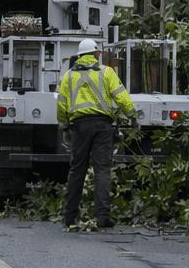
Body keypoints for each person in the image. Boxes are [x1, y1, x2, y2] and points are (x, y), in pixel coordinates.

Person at [56, 38, 135, 230]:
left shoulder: (68, 76)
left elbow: (61, 104)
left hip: (79, 127)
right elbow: (121, 96)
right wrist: (132, 117)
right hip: (102, 127)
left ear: (79, 56)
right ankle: (102, 218)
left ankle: (69, 218)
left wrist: (65, 128)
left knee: (77, 170)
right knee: (102, 170)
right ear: (96, 54)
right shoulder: (106, 72)